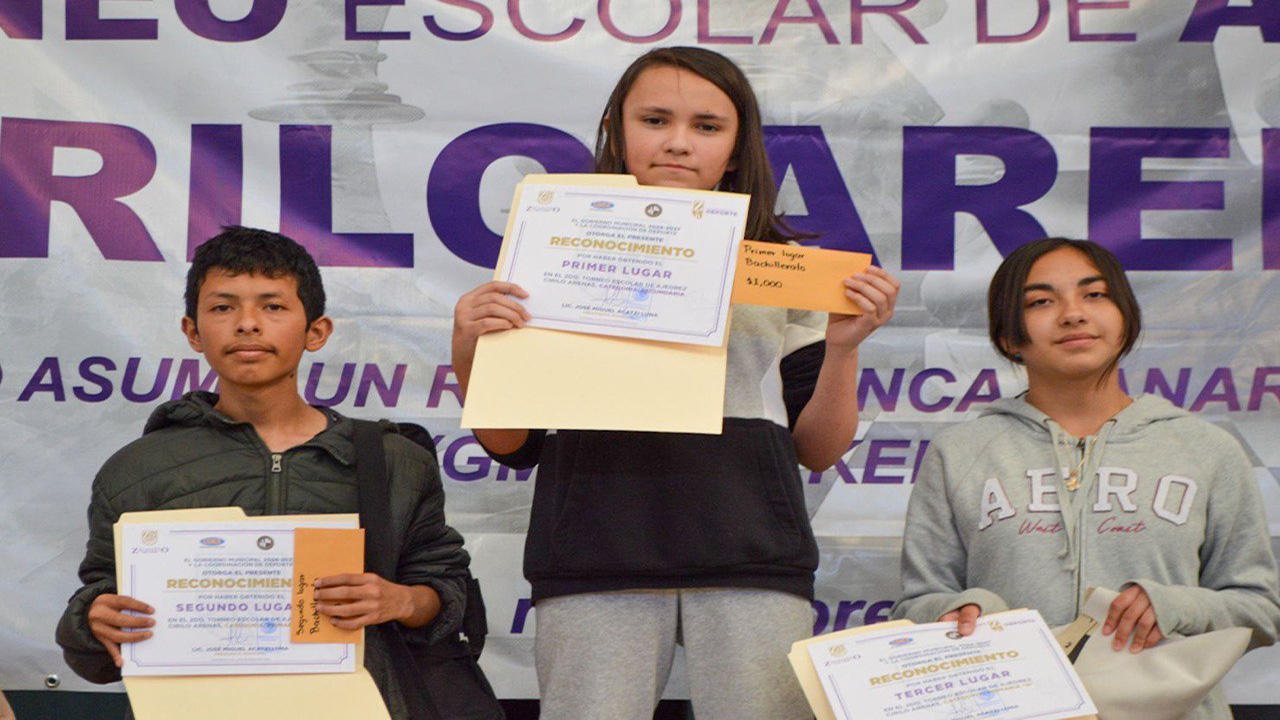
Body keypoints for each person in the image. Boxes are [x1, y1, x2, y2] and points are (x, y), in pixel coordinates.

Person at [451, 47, 899, 720]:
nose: (679, 143)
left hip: (751, 554)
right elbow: (510, 441)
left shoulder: (785, 270)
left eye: (708, 126)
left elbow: (820, 448)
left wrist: (843, 350)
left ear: (738, 144)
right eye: (655, 119)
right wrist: (467, 343)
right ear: (616, 128)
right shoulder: (552, 249)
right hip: (595, 551)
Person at [55, 227, 470, 720]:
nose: (248, 324)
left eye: (273, 307)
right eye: (223, 307)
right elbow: (96, 621)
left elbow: (446, 595)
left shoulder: (394, 460)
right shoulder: (137, 469)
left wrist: (400, 600)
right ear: (192, 331)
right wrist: (94, 621)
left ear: (316, 331)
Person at [894, 237, 1280, 719]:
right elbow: (915, 606)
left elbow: (1260, 608)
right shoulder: (960, 452)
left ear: (1126, 318)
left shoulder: (1206, 448)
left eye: (1094, 295)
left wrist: (1176, 605)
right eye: (1040, 302)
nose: (1073, 314)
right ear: (1009, 337)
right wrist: (962, 611)